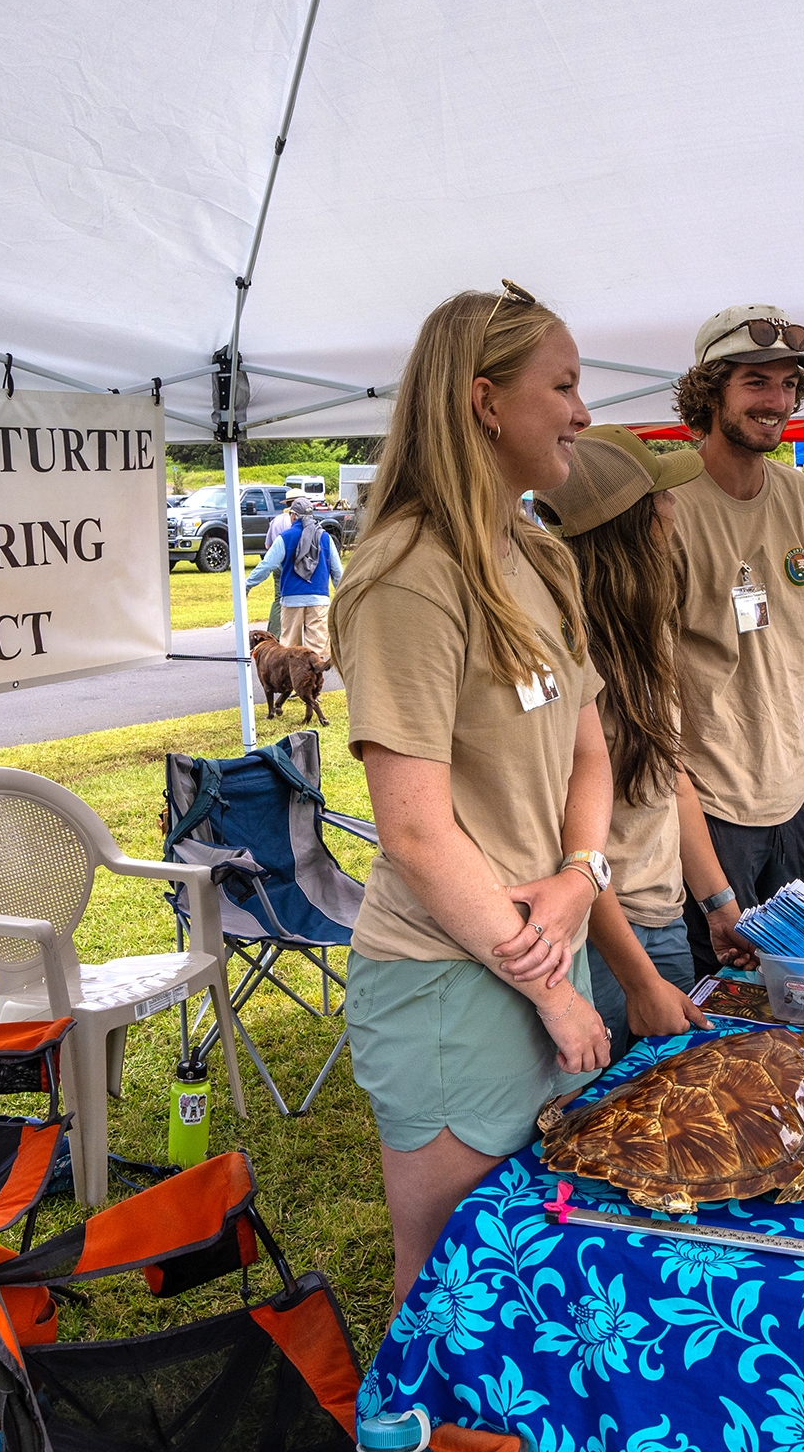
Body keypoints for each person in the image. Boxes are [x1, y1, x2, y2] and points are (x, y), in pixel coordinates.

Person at [330, 281, 613, 1311]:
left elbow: (592, 749)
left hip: (537, 949)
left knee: (529, 1272)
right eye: (565, 385)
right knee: (447, 1288)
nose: (584, 411)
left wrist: (581, 878)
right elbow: (411, 826)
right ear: (485, 402)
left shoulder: (539, 553)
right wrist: (551, 982)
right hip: (452, 980)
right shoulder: (409, 571)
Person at [533, 426, 754, 1059]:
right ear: (631, 524)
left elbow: (670, 776)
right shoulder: (567, 645)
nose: (674, 510)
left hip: (660, 917)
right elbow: (567, 836)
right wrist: (638, 977)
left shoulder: (648, 630)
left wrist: (718, 903)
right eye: (661, 498)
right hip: (602, 934)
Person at [668, 304, 804, 976]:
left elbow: (800, 636)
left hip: (790, 793)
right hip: (710, 805)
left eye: (789, 385)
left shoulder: (801, 495)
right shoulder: (668, 504)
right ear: (711, 389)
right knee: (724, 995)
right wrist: (709, 881)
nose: (778, 402)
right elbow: (645, 684)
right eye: (756, 383)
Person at [243, 495, 344, 658]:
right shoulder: (325, 537)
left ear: (293, 515)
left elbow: (267, 565)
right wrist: (343, 595)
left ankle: (292, 683)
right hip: (319, 600)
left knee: (290, 651)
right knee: (316, 653)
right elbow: (338, 572)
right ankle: (312, 682)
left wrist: (247, 585)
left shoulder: (286, 537)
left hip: (292, 599)